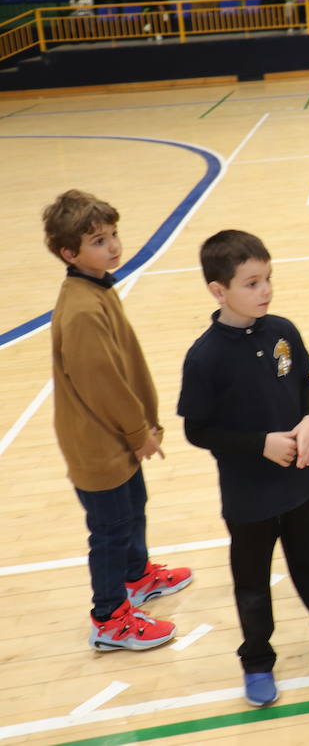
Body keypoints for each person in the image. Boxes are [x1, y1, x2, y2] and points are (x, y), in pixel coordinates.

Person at [178, 230, 309, 707]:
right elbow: (198, 431)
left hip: (301, 481)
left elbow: (305, 385)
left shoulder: (283, 330)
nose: (264, 291)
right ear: (218, 291)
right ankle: (257, 660)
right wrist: (258, 445)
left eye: (267, 279)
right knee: (252, 582)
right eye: (251, 283)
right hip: (249, 496)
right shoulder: (204, 358)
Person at [42, 190, 193, 653]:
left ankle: (137, 576)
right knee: (109, 530)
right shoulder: (83, 309)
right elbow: (102, 383)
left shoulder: (95, 287)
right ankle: (109, 617)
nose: (112, 247)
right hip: (100, 443)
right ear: (69, 253)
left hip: (115, 439)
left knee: (133, 508)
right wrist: (137, 431)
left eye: (112, 235)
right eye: (98, 241)